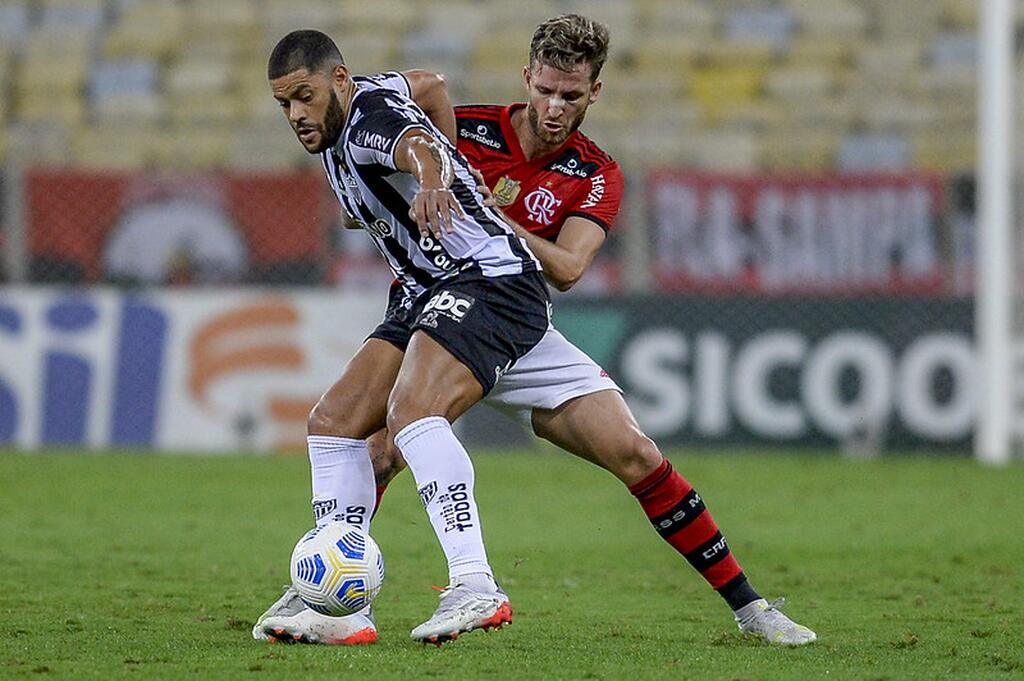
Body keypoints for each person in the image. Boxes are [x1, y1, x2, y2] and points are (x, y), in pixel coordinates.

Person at [256, 16, 817, 647]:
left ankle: (750, 608)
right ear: (528, 80)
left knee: (632, 454)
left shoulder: (595, 171)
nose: (555, 106)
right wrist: (413, 189)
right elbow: (429, 93)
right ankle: (333, 598)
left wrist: (451, 190)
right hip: (438, 299)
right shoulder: (466, 126)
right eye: (546, 91)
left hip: (501, 296)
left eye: (571, 96)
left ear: (592, 93)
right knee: (345, 426)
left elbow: (570, 266)